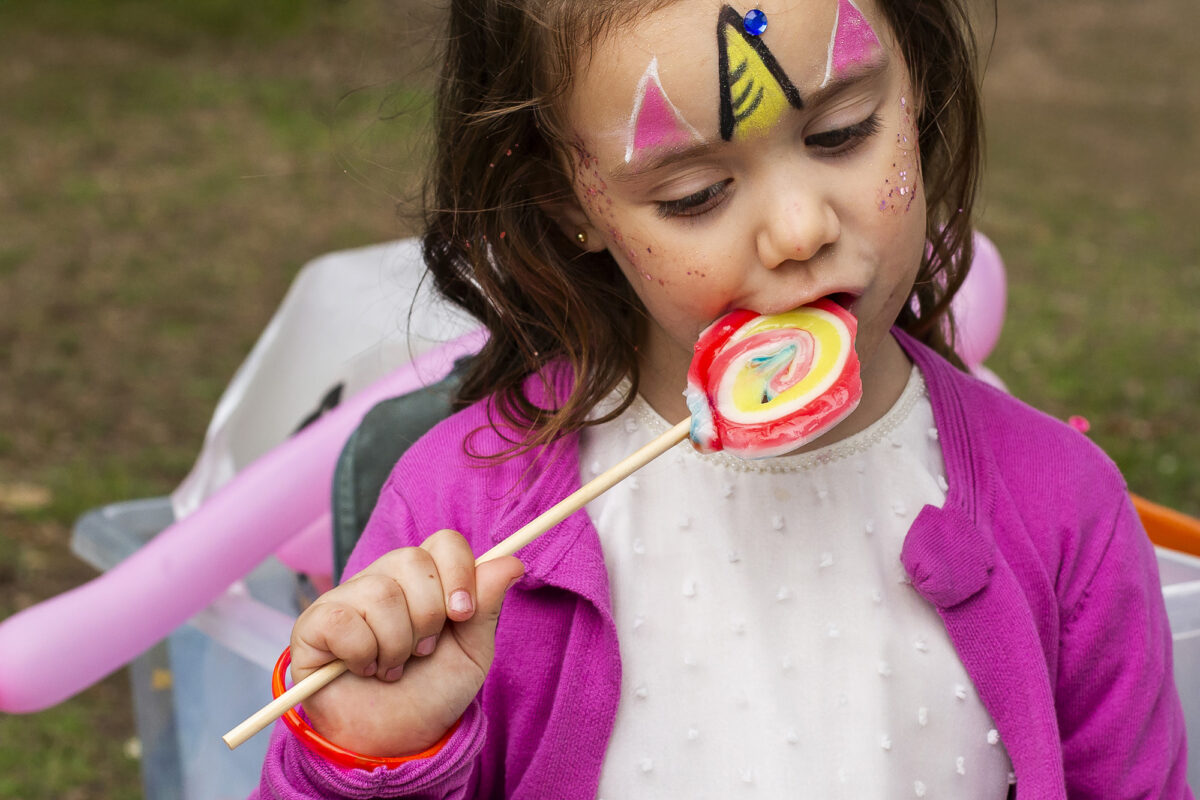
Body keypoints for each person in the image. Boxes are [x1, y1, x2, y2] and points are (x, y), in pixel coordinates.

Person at [255, 0, 1191, 797]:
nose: (797, 228)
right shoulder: (462, 517)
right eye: (697, 192)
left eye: (840, 135)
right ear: (566, 201)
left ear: (921, 84)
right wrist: (374, 751)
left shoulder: (1064, 505)